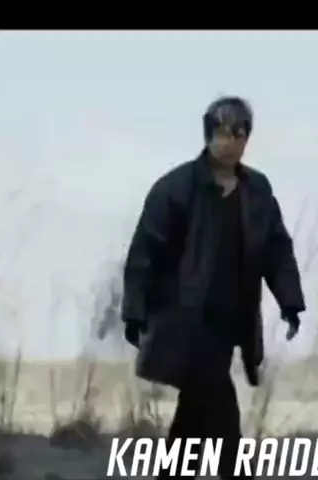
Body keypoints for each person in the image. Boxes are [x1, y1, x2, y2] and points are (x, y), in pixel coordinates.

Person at [121, 96, 306, 479]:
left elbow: (276, 250)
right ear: (208, 135)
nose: (231, 142)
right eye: (223, 132)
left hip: (230, 323)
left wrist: (290, 302)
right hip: (184, 320)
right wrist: (135, 311)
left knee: (193, 420)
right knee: (221, 413)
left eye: (239, 134)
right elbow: (145, 251)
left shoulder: (257, 191)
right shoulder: (176, 188)